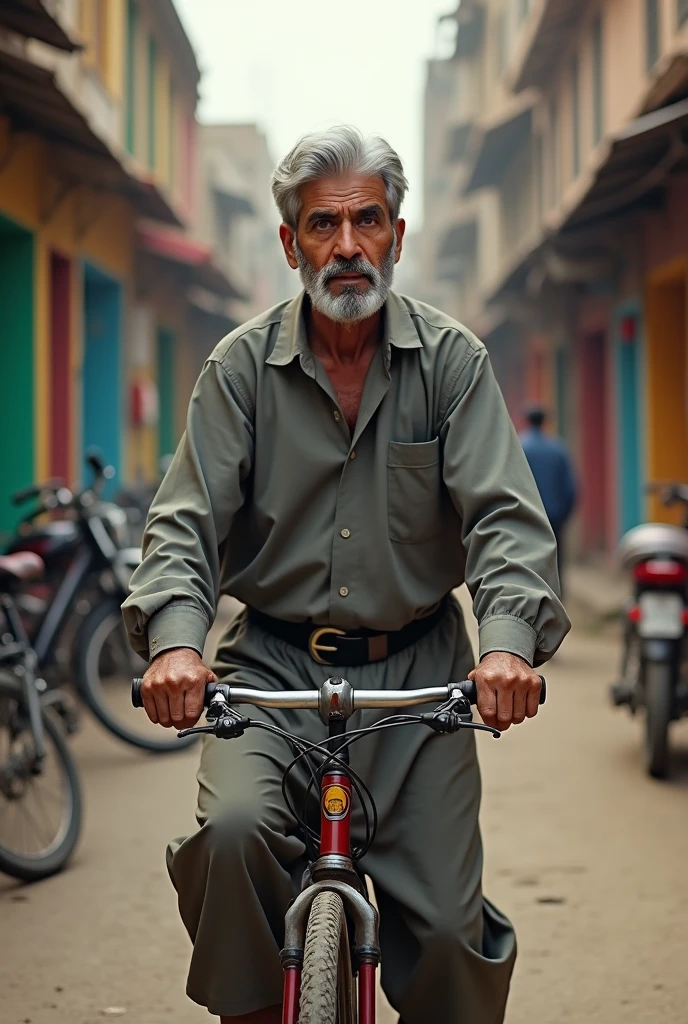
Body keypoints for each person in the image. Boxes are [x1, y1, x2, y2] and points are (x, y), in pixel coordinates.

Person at [123, 126, 570, 1024]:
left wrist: (509, 649)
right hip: (270, 674)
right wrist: (176, 645)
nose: (349, 246)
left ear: (398, 236)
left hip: (422, 679)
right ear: (291, 244)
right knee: (235, 836)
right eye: (324, 225)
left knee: (447, 934)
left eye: (369, 220)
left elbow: (504, 520)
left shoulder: (453, 363)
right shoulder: (239, 370)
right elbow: (185, 524)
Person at [519, 406, 577, 594]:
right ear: (545, 422)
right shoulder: (558, 449)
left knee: (527, 557)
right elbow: (570, 488)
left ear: (526, 421)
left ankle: (529, 594)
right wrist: (564, 514)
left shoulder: (520, 447)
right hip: (554, 516)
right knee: (555, 556)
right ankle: (556, 595)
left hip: (526, 515)